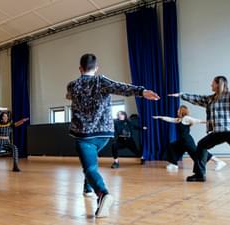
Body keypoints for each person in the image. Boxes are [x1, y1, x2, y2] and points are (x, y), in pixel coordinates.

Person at [66, 53, 160, 218]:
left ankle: (103, 194)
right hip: (104, 135)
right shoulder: (100, 80)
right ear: (96, 68)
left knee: (89, 167)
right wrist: (142, 91)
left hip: (84, 135)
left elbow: (69, 95)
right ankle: (87, 188)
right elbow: (121, 87)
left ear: (80, 69)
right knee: (91, 161)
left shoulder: (72, 85)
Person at [153, 105, 226, 171]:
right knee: (172, 146)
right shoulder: (179, 119)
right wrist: (160, 117)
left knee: (197, 153)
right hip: (182, 141)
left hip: (187, 141)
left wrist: (211, 122)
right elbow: (170, 119)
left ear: (182, 111)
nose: (177, 111)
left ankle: (218, 161)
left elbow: (198, 121)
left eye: (178, 110)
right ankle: (174, 164)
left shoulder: (186, 118)